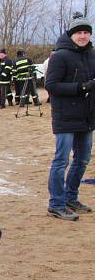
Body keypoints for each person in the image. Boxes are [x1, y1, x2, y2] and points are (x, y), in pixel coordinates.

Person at [45, 14, 95, 221]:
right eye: (79, 32)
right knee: (61, 161)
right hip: (65, 118)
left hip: (87, 117)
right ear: (71, 35)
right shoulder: (60, 56)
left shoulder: (92, 55)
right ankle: (56, 204)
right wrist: (80, 87)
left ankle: (70, 197)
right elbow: (51, 85)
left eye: (86, 32)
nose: (83, 36)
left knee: (82, 160)